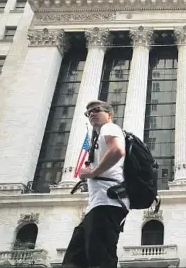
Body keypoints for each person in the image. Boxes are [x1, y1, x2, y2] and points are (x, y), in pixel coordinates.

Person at [62, 100, 129, 268]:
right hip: (98, 204)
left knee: (101, 258)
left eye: (97, 110)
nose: (92, 113)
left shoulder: (109, 127)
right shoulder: (99, 135)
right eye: (88, 112)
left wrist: (93, 172)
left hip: (108, 202)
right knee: (74, 257)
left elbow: (117, 151)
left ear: (109, 114)